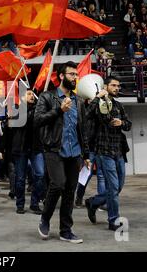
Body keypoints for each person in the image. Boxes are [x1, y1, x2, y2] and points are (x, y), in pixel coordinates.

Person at [35, 61, 91, 243]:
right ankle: (45, 218)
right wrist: (58, 110)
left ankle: (65, 230)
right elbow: (38, 121)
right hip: (54, 149)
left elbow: (83, 130)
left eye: (76, 75)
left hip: (74, 153)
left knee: (69, 191)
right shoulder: (47, 97)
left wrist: (87, 155)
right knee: (58, 184)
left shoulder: (79, 102)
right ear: (61, 76)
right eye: (71, 74)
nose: (75, 78)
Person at [85, 76, 132, 231]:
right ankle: (113, 220)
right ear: (106, 86)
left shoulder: (119, 105)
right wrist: (96, 98)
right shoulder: (97, 104)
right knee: (113, 188)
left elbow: (128, 124)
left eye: (118, 86)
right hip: (104, 151)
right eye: (113, 85)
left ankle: (93, 202)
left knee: (118, 187)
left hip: (119, 151)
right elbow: (87, 115)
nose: (117, 88)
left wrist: (122, 123)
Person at [10, 90, 45, 215]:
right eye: (29, 94)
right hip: (21, 149)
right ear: (22, 97)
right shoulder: (16, 109)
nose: (32, 96)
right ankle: (20, 204)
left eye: (33, 94)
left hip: (36, 148)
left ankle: (34, 203)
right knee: (20, 178)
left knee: (40, 175)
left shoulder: (38, 110)